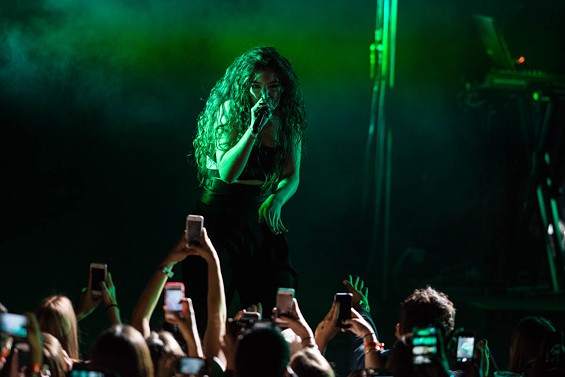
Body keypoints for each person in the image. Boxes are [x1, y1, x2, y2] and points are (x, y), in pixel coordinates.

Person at [184, 46, 307, 325]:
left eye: (273, 86)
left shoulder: (288, 121)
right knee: (211, 303)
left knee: (276, 298)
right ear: (244, 87)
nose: (265, 94)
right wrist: (253, 128)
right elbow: (228, 171)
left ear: (283, 87)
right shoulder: (230, 111)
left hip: (259, 211)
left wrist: (277, 199)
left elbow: (292, 175)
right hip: (222, 212)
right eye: (256, 86)